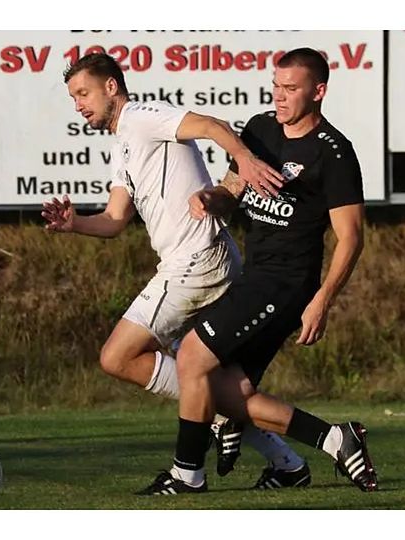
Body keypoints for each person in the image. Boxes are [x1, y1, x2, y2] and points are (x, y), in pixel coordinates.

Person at [42, 52, 311, 489]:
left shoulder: (142, 117)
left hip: (195, 261)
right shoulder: (124, 143)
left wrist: (243, 159)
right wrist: (75, 224)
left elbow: (212, 126)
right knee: (210, 380)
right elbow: (114, 220)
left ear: (111, 87)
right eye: (73, 98)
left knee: (117, 356)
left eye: (83, 93)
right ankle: (288, 463)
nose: (79, 105)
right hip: (201, 260)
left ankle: (213, 429)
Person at [136, 47, 378, 495]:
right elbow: (233, 189)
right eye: (275, 86)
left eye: (291, 88)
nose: (279, 96)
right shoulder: (261, 129)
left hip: (287, 283)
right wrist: (212, 200)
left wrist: (322, 301)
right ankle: (334, 439)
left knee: (192, 355)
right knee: (230, 391)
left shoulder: (334, 153)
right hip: (255, 275)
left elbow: (351, 237)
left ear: (318, 92)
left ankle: (187, 474)